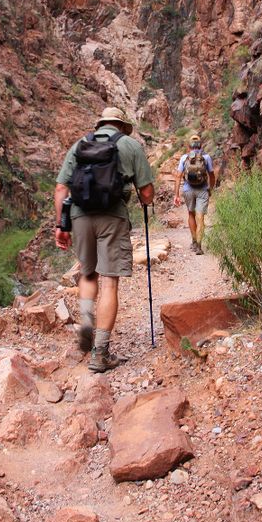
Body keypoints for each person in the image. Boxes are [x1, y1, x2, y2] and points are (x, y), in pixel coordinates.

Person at [54, 106, 154, 373]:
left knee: (88, 274)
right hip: (113, 216)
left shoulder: (80, 144)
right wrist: (145, 200)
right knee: (109, 282)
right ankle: (100, 353)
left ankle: (86, 319)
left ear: (99, 125)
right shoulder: (131, 145)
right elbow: (146, 192)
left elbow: (61, 188)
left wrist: (61, 226)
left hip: (80, 216)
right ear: (121, 125)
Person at [173, 134, 215, 254]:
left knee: (191, 214)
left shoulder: (184, 158)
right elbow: (211, 175)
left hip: (188, 189)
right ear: (201, 145)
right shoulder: (206, 157)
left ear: (188, 146)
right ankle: (199, 246)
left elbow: (178, 176)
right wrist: (210, 188)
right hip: (203, 190)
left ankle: (194, 241)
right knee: (200, 216)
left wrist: (176, 195)